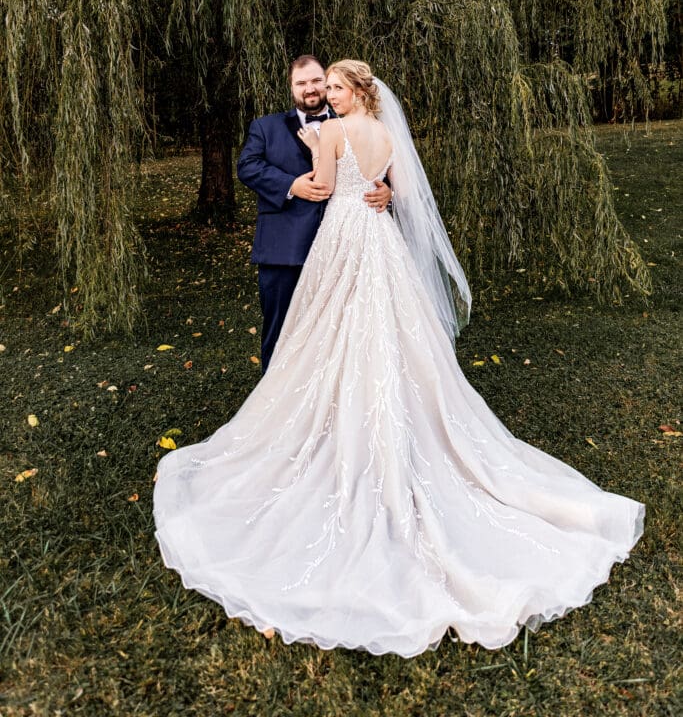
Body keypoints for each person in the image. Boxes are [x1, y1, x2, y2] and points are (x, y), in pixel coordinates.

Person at [154, 60, 644, 656]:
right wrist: (379, 188)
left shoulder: (330, 130)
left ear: (354, 91)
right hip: (378, 241)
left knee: (329, 328)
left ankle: (331, 417)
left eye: (334, 87)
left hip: (342, 237)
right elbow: (403, 193)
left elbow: (328, 186)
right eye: (321, 88)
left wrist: (316, 144)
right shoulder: (387, 133)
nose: (326, 95)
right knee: (387, 330)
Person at [236, 55, 391, 373]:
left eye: (317, 81)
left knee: (345, 330)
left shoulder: (354, 124)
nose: (310, 89)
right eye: (301, 83)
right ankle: (274, 396)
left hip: (348, 248)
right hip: (284, 248)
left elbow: (375, 172)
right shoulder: (266, 127)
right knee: (281, 328)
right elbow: (247, 167)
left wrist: (386, 191)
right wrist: (291, 185)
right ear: (292, 87)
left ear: (329, 82)